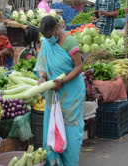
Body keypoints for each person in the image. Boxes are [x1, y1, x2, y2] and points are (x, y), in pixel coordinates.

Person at [34, 16, 85, 166]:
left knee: (70, 131)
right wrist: (42, 77)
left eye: (50, 36)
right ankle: (53, 162)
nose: (48, 39)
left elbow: (79, 67)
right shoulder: (46, 44)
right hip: (53, 94)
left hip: (71, 93)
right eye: (45, 37)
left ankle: (69, 162)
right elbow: (42, 63)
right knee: (52, 128)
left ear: (57, 29)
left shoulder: (70, 42)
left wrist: (63, 81)